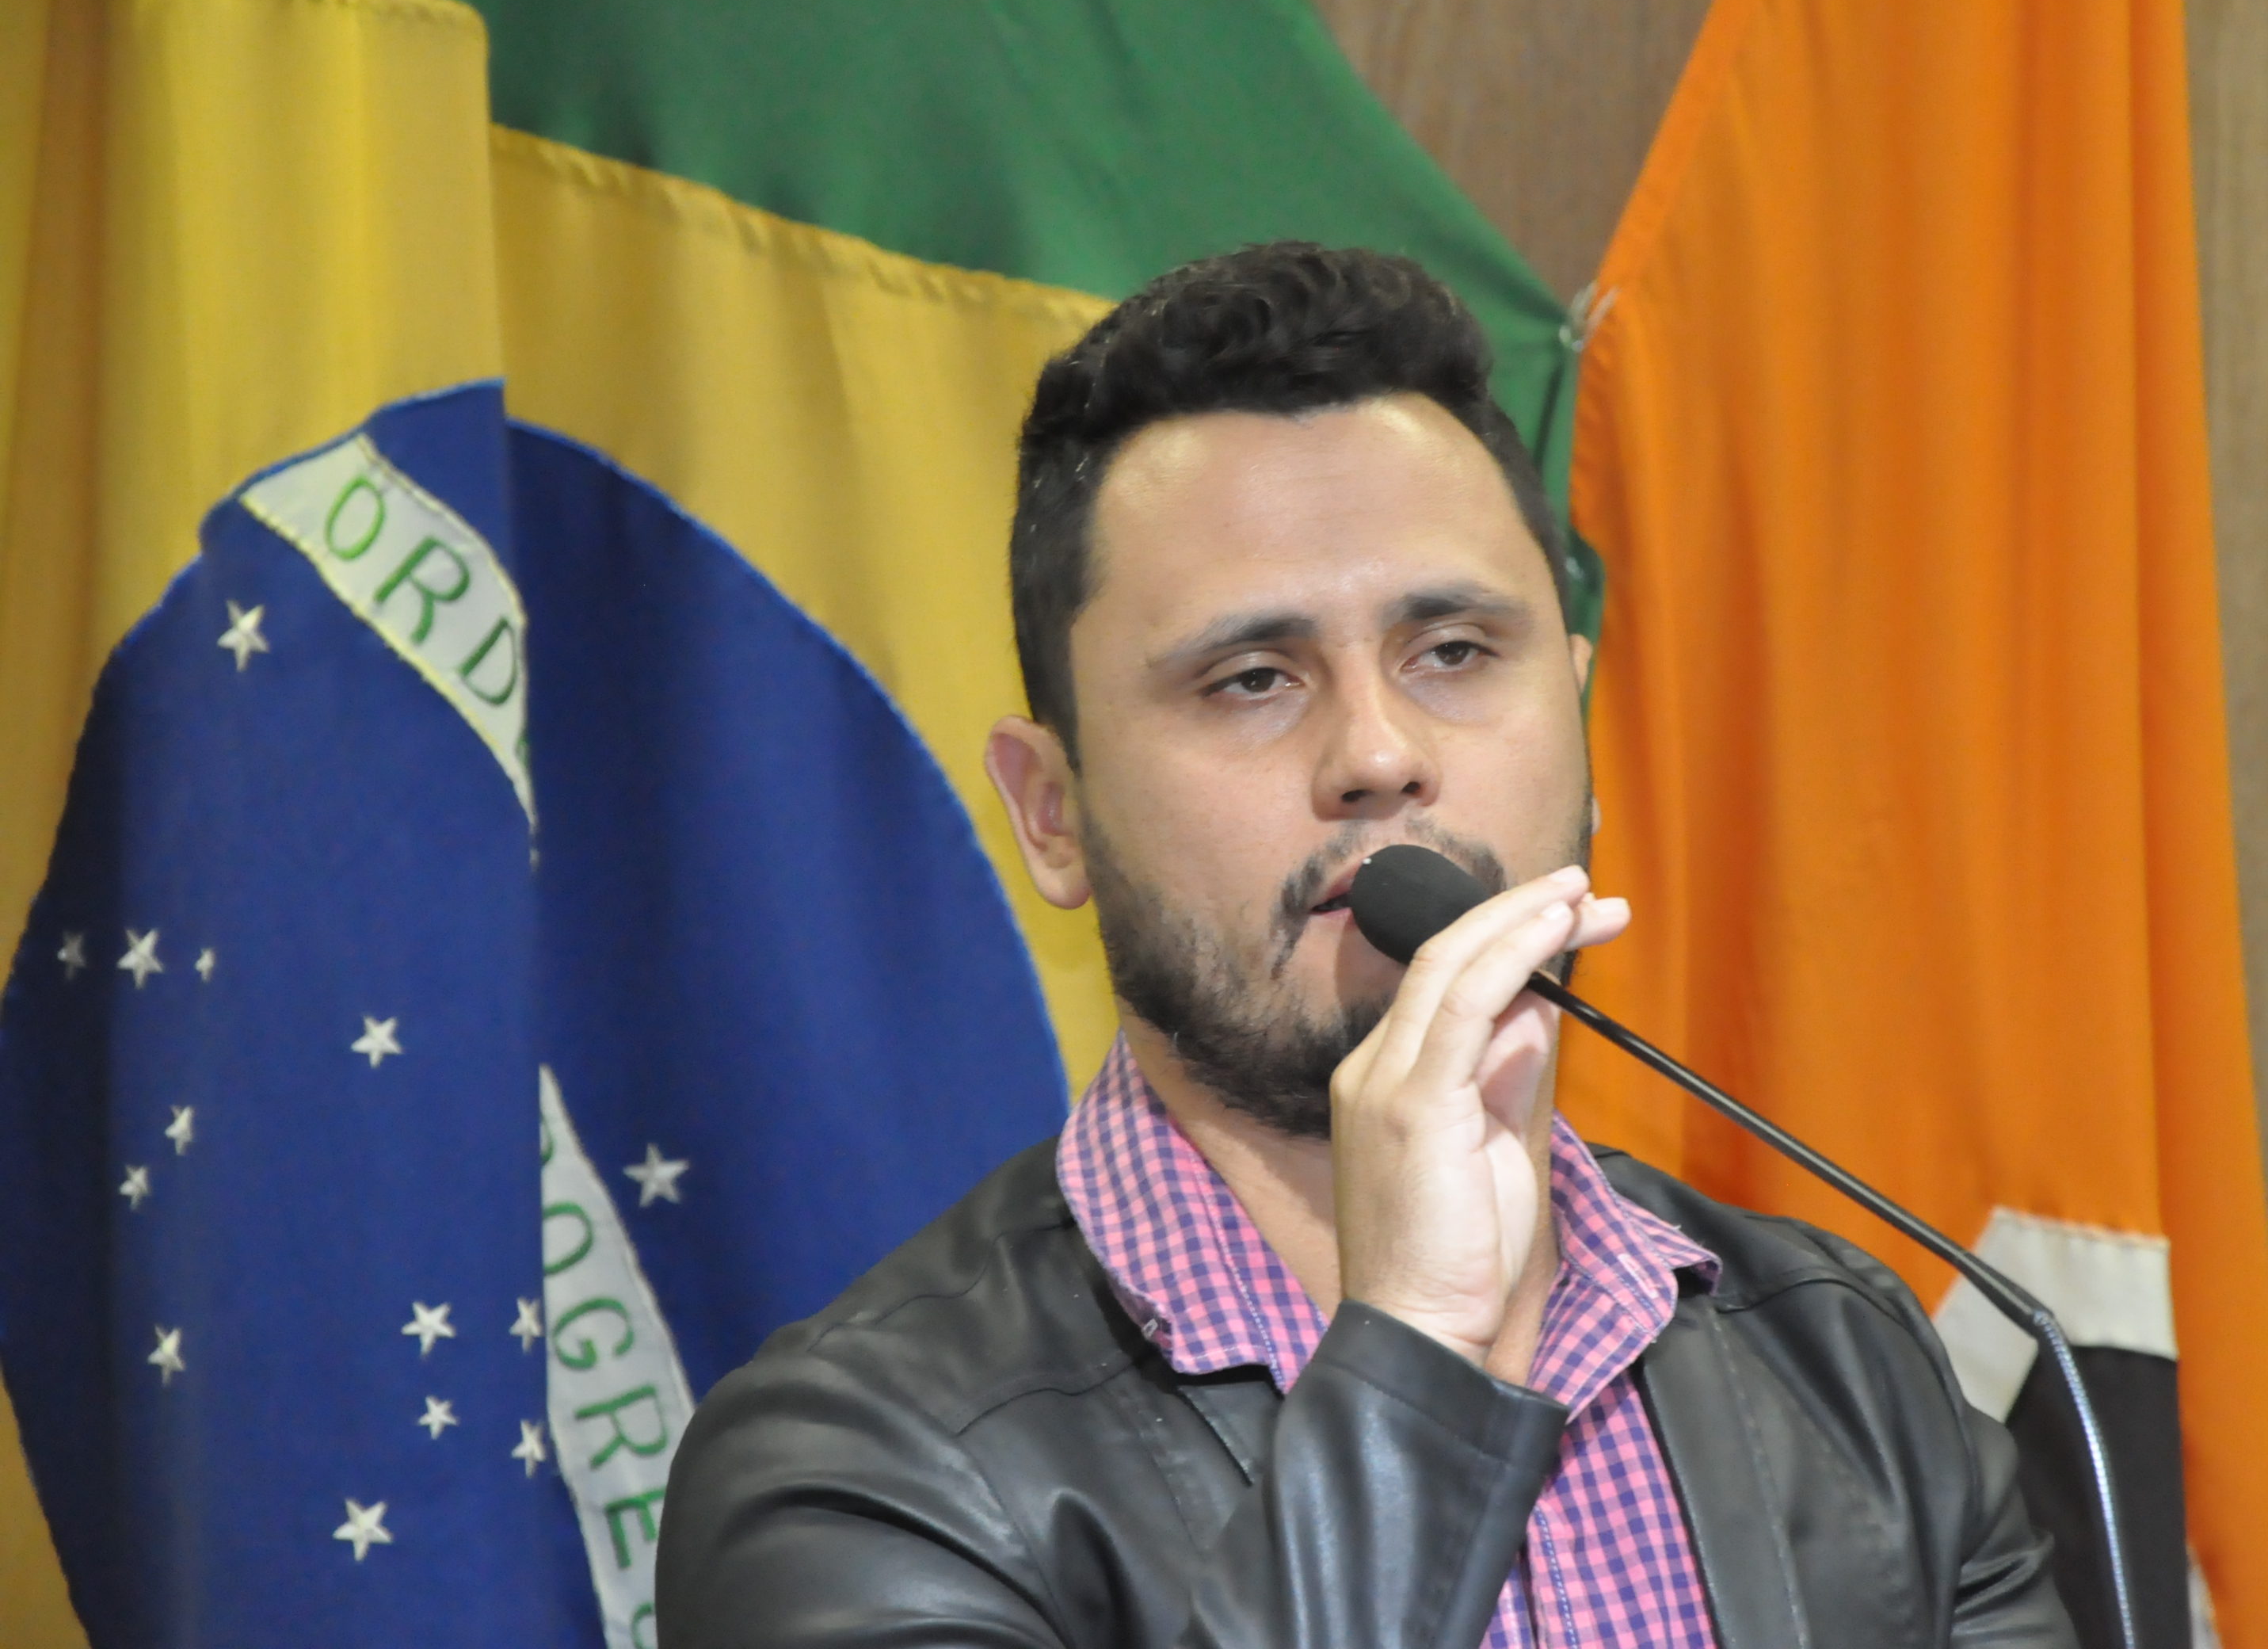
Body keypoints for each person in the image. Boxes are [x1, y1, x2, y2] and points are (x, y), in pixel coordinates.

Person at [657, 242, 2077, 1648]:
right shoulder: (855, 1475)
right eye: (1251, 679)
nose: (1381, 755)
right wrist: (1416, 1359)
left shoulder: (1852, 1366)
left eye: (1453, 652)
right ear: (1054, 815)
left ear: (1580, 725)